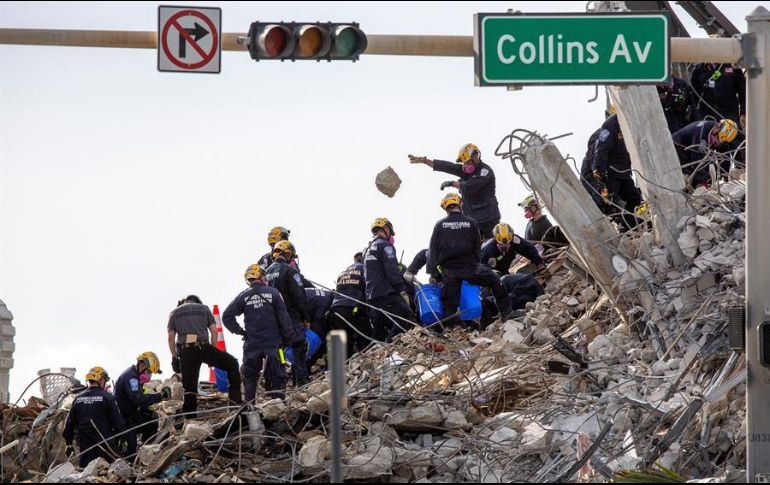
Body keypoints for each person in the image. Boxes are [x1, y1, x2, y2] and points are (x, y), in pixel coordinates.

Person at [427, 193, 512, 326]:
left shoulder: (439, 225)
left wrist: (433, 273)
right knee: (494, 280)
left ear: (445, 207)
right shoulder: (471, 222)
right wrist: (476, 265)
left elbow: (433, 250)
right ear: (460, 204)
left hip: (449, 270)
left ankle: (449, 332)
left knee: (450, 303)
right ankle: (506, 314)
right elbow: (477, 247)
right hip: (470, 267)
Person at [223, 264, 297, 402]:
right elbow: (284, 318)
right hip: (273, 344)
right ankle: (278, 404)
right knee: (278, 375)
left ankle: (249, 407)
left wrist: (240, 332)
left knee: (250, 376)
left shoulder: (243, 296)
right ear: (261, 276)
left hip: (252, 345)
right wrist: (287, 338)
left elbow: (226, 316)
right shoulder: (274, 293)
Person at [167, 295, 242, 417]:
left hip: (186, 351)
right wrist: (212, 352)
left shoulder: (175, 312)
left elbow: (170, 338)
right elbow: (214, 331)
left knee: (190, 388)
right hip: (203, 347)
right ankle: (235, 403)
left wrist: (174, 358)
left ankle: (190, 419)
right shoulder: (204, 309)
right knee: (232, 364)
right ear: (197, 301)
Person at [409, 143, 501, 239]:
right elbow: (448, 166)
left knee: (491, 247)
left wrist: (452, 183)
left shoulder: (485, 172)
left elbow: (470, 186)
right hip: (472, 220)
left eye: (466, 162)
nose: (464, 165)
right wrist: (426, 161)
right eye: (463, 163)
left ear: (475, 157)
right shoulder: (466, 172)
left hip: (488, 220)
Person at [265, 241, 311, 386]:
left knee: (277, 352)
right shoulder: (290, 271)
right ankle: (301, 383)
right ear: (288, 253)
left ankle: (272, 386)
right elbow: (300, 297)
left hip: (272, 320)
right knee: (299, 347)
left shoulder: (265, 274)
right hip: (290, 317)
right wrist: (306, 317)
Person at [63, 367, 125, 468]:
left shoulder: (77, 399)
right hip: (106, 448)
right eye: (104, 380)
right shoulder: (107, 397)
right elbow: (118, 422)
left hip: (86, 449)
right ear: (100, 380)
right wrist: (123, 439)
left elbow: (69, 424)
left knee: (86, 475)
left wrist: (69, 444)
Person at [364, 217, 414, 342]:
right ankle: (390, 343)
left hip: (372, 295)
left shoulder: (367, 250)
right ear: (386, 229)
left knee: (379, 327)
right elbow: (392, 271)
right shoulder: (385, 245)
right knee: (406, 316)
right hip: (386, 292)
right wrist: (401, 290)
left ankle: (377, 352)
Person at [592, 111, 643, 231]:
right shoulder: (611, 125)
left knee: (634, 197)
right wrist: (602, 174)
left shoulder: (633, 121)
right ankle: (618, 227)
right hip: (610, 172)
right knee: (610, 203)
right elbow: (601, 150)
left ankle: (628, 224)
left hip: (623, 171)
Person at [114, 352, 170, 458]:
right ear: (143, 365)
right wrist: (160, 396)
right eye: (149, 372)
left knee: (151, 418)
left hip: (130, 416)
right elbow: (138, 399)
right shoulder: (131, 377)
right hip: (124, 420)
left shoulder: (134, 375)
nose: (149, 375)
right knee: (130, 453)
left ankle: (147, 449)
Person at [672, 118, 740, 189]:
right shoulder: (701, 135)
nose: (717, 143)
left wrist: (725, 174)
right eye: (717, 140)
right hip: (676, 150)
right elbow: (697, 160)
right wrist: (702, 182)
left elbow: (724, 153)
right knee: (689, 179)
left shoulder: (715, 129)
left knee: (709, 169)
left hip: (689, 150)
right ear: (717, 130)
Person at [330, 252, 373, 357]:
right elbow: (368, 288)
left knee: (347, 341)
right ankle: (367, 361)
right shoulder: (364, 268)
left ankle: (347, 366)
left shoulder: (343, 272)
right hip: (354, 306)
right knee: (366, 335)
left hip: (336, 309)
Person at [690, 63, 746, 127]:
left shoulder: (734, 67)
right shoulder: (699, 69)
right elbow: (693, 97)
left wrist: (743, 112)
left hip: (729, 117)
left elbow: (743, 92)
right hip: (706, 118)